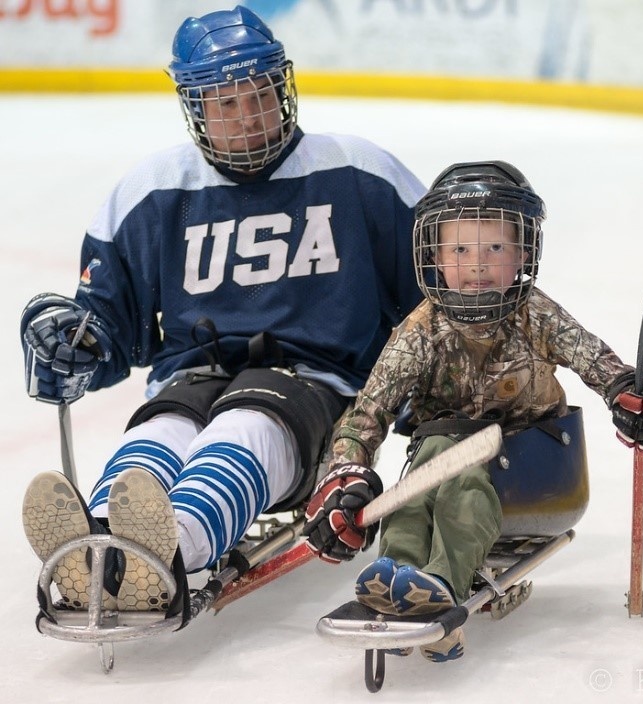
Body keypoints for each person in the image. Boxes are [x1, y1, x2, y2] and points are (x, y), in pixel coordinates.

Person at [20, 5, 426, 623]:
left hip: (317, 387)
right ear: (195, 108)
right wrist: (79, 345)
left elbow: (436, 302)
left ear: (282, 86)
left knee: (244, 427)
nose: (249, 116)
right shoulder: (153, 188)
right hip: (193, 376)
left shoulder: (359, 172)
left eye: (259, 94)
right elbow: (111, 324)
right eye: (226, 103)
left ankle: (171, 553)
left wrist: (433, 400)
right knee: (158, 433)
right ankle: (99, 547)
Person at [303, 161, 643, 662]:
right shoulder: (419, 332)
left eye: (495, 248)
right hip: (441, 463)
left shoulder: (536, 315)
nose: (478, 264)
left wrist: (639, 392)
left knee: (453, 466)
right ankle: (397, 575)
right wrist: (346, 472)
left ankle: (440, 585)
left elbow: (604, 367)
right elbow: (365, 417)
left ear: (523, 253)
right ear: (434, 257)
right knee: (414, 485)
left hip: (540, 472)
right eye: (460, 249)